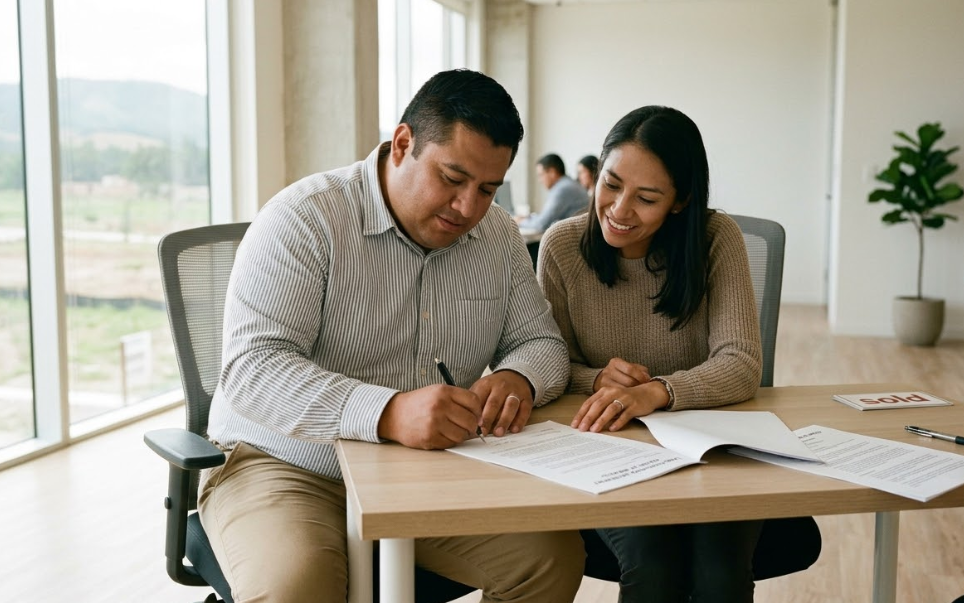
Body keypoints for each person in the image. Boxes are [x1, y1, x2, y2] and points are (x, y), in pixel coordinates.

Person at [200, 69, 585, 603]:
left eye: (488, 189)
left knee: (549, 559)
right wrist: (387, 412)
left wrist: (520, 376)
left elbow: (541, 343)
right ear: (403, 143)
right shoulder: (304, 218)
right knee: (296, 587)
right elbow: (254, 371)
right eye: (452, 179)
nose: (469, 208)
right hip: (287, 462)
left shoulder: (494, 235)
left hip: (427, 470)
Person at [537, 105, 764, 603]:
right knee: (653, 567)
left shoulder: (714, 239)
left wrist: (656, 393)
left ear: (679, 202)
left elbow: (742, 363)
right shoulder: (561, 247)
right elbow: (549, 363)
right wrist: (597, 380)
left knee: (719, 577)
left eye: (646, 198)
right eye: (611, 185)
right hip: (610, 449)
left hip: (713, 447)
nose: (618, 210)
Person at [517, 153, 589, 231]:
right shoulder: (568, 184)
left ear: (552, 172)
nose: (540, 180)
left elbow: (542, 224)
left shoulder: (562, 189)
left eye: (541, 175)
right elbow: (545, 217)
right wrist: (528, 218)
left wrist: (520, 222)